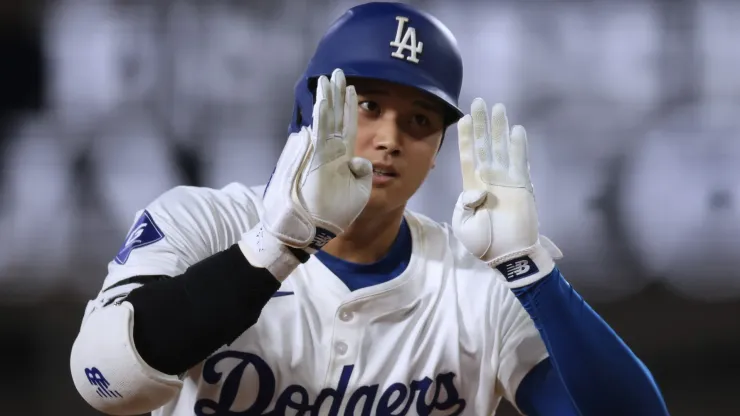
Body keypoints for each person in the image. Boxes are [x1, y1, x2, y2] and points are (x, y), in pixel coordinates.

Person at [70, 2, 669, 415]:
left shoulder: (475, 286)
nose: (388, 139)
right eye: (367, 105)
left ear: (437, 151)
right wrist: (278, 249)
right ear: (310, 109)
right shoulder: (203, 223)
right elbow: (107, 381)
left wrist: (534, 275)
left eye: (418, 120)